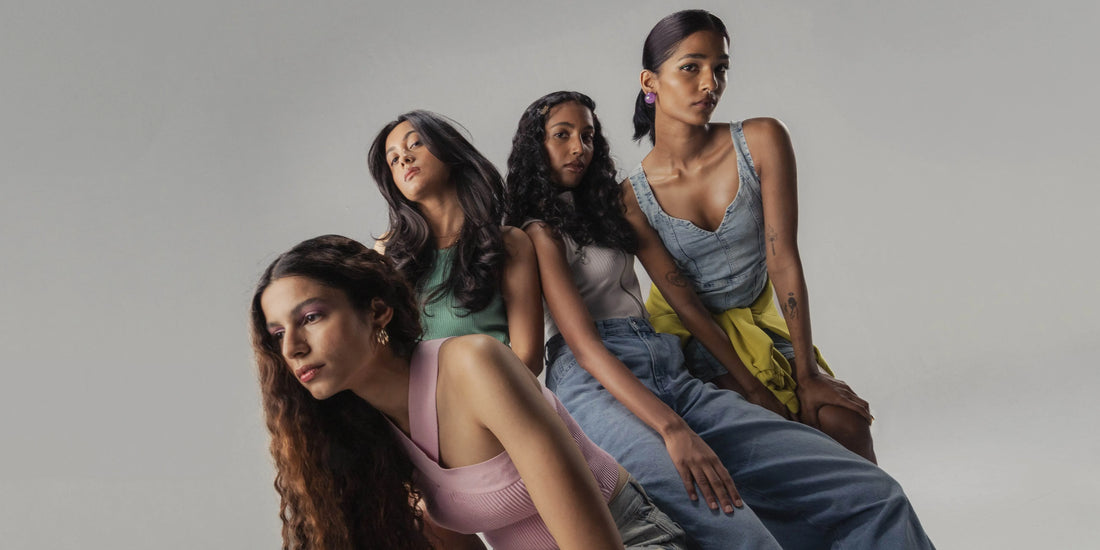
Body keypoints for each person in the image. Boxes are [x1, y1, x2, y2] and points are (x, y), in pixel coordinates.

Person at [504, 91, 933, 549]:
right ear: (536, 147)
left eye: (587, 136)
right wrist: (673, 429)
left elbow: (679, 293)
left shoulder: (614, 208)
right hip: (597, 388)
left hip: (666, 368)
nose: (578, 149)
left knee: (873, 494)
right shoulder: (537, 234)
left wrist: (752, 389)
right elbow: (585, 349)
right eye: (562, 136)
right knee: (744, 537)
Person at [250, 235, 686, 549]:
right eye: (277, 334)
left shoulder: (474, 364)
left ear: (377, 311)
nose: (292, 348)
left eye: (310, 318)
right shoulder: (363, 437)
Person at [624, 9, 876, 462]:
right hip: (690, 336)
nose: (710, 84)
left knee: (844, 422)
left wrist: (809, 372)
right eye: (691, 67)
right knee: (770, 435)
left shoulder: (761, 140)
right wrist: (752, 388)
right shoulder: (630, 197)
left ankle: (877, 528)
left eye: (720, 69)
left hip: (759, 320)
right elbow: (685, 303)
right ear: (650, 82)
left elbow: (783, 260)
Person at [367, 110, 543, 375]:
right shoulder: (386, 251)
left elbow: (528, 356)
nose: (403, 158)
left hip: (499, 398)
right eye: (393, 159)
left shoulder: (509, 243)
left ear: (449, 150)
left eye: (415, 143)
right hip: (418, 406)